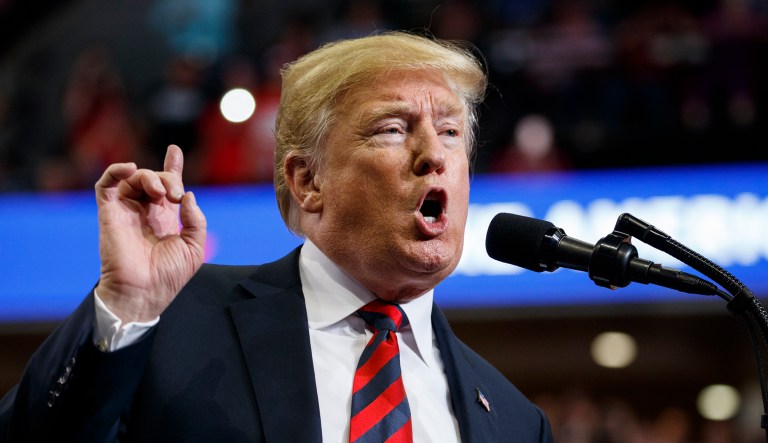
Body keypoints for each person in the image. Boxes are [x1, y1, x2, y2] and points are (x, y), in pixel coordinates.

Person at [0, 31, 553, 442]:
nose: (435, 153)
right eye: (392, 128)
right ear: (308, 181)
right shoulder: (174, 321)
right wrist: (126, 306)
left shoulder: (515, 420)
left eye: (452, 132)